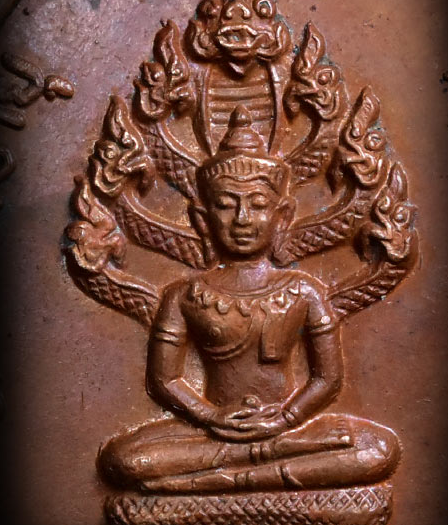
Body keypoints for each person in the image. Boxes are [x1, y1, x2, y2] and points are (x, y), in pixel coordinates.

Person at [99, 106, 400, 493]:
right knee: (124, 459)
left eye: (258, 205)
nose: (242, 218)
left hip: (287, 428)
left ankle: (227, 480)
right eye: (226, 205)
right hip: (214, 434)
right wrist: (211, 417)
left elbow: (327, 378)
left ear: (282, 215)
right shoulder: (185, 295)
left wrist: (286, 418)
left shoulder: (303, 291)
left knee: (378, 449)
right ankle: (257, 467)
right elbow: (165, 379)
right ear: (202, 218)